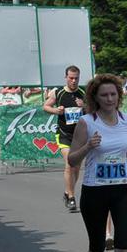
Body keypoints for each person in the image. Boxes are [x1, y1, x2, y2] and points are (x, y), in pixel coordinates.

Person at [66, 74, 127, 252]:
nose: (109, 99)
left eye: (113, 94)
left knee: (123, 245)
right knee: (97, 246)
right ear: (95, 98)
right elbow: (72, 159)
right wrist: (88, 147)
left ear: (119, 96)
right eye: (104, 95)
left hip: (122, 189)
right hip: (95, 190)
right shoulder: (87, 122)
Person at [44, 66, 86, 212]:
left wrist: (84, 106)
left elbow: (94, 110)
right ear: (66, 77)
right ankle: (72, 197)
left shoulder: (83, 93)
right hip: (64, 134)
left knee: (77, 167)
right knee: (70, 163)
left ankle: (68, 192)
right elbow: (46, 106)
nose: (74, 81)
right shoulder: (58, 93)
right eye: (71, 78)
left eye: (76, 78)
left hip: (80, 136)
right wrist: (56, 110)